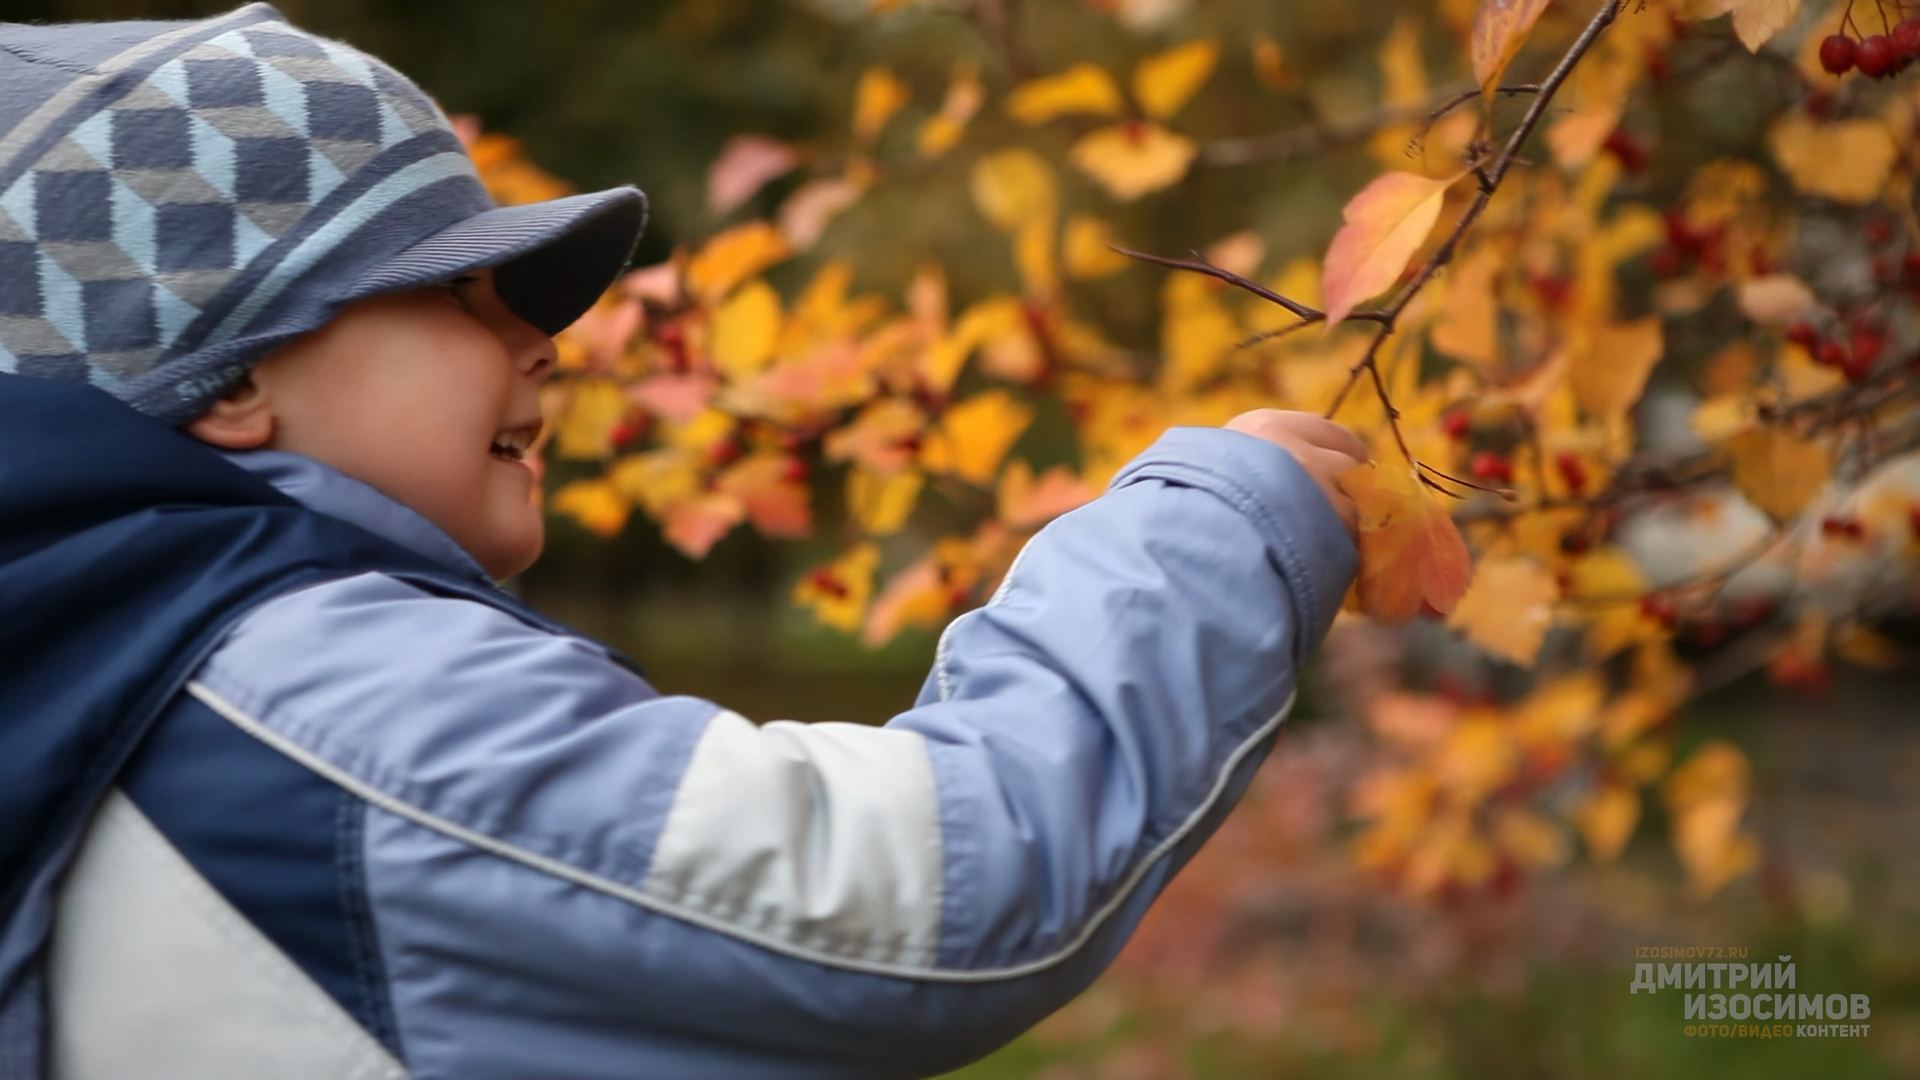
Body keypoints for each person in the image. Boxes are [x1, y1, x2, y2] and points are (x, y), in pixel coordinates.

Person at [0, 4, 1368, 1077]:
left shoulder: (80, 679)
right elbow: (935, 891)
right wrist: (1208, 526)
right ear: (229, 379)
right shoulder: (311, 697)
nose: (542, 342)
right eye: (458, 294)